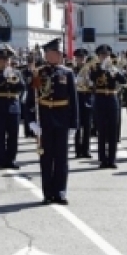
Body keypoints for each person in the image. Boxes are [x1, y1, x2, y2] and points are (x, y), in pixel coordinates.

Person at [31, 38, 78, 205]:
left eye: (59, 53)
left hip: (62, 118)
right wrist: (31, 122)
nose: (58, 56)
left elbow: (73, 100)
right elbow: (32, 99)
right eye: (55, 53)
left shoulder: (67, 73)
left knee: (61, 158)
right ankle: (48, 192)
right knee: (46, 157)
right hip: (45, 119)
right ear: (47, 55)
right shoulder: (39, 73)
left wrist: (74, 124)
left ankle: (60, 191)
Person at [89, 45, 126, 169]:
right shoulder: (94, 67)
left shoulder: (113, 68)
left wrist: (115, 72)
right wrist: (101, 69)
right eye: (103, 55)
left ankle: (112, 159)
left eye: (107, 55)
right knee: (102, 131)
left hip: (112, 99)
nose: (105, 57)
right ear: (98, 57)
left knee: (112, 131)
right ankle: (102, 159)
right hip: (99, 99)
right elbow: (92, 78)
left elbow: (123, 81)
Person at [0, 46, 25, 169]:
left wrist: (14, 80)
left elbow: (22, 87)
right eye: (3, 59)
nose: (5, 62)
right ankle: (1, 161)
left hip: (14, 106)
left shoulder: (17, 72)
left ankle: (11, 159)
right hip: (0, 106)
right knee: (0, 135)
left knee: (13, 135)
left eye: (7, 59)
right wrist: (3, 77)